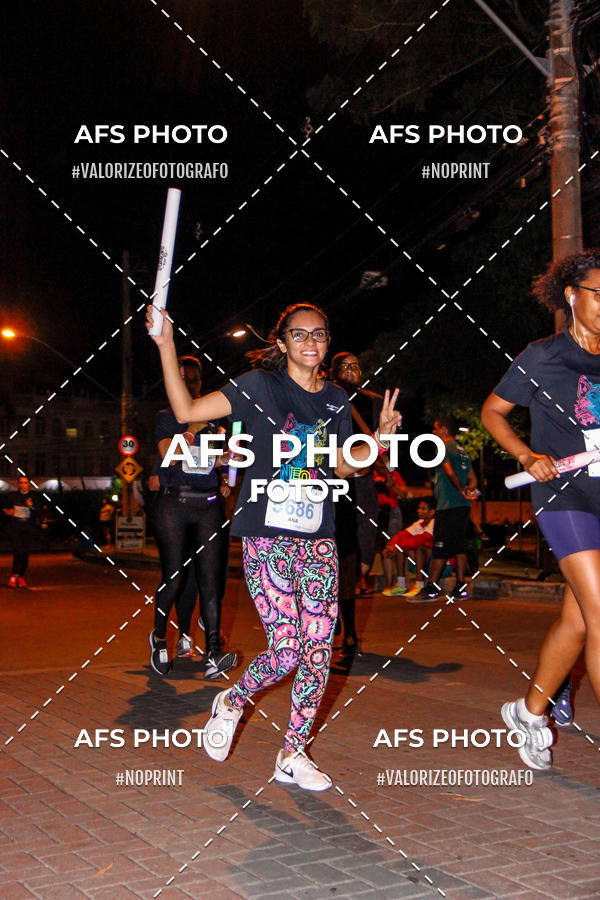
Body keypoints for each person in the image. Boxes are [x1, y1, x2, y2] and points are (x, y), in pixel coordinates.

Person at [147, 301, 401, 790]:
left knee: (319, 650)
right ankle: (233, 701)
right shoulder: (259, 387)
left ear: (327, 342)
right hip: (267, 535)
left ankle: (292, 753)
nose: (310, 342)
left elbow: (346, 466)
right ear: (281, 343)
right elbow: (187, 411)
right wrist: (166, 344)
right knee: (287, 652)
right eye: (299, 334)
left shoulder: (334, 401)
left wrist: (383, 440)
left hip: (319, 540)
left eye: (319, 334)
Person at [481, 249, 600, 770]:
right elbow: (493, 411)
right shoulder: (542, 356)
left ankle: (530, 712)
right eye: (599, 293)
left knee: (578, 622)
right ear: (572, 296)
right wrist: (529, 454)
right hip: (564, 494)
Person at [149, 355, 235, 678]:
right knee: (174, 577)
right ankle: (159, 637)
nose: (192, 385)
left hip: (208, 504)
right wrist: (191, 429)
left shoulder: (214, 423)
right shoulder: (166, 417)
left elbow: (212, 462)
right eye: (187, 379)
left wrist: (228, 463)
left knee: (211, 582)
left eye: (196, 380)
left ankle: (213, 652)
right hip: (174, 503)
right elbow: (169, 457)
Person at [411, 415, 478, 603]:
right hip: (462, 506)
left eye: (436, 428)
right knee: (459, 546)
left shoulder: (444, 448)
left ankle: (431, 588)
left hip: (448, 505)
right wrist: (470, 491)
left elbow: (448, 471)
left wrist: (460, 490)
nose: (433, 432)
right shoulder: (462, 451)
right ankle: (460, 587)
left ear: (444, 430)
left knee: (439, 546)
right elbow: (473, 476)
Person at [382, 497, 436, 596]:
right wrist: (391, 547)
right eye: (419, 508)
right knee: (397, 550)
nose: (418, 510)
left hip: (437, 566)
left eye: (423, 509)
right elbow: (401, 535)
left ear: (432, 512)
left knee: (419, 548)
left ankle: (420, 585)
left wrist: (398, 546)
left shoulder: (435, 523)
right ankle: (400, 586)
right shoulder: (420, 523)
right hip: (419, 563)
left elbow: (421, 540)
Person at [2, 476, 43, 587]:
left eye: (25, 482)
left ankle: (21, 577)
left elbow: (39, 513)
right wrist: (8, 512)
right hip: (15, 527)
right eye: (21, 483)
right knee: (17, 551)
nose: (23, 485)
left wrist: (31, 506)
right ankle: (14, 575)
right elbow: (5, 509)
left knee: (25, 553)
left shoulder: (34, 497)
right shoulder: (13, 496)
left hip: (28, 528)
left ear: (28, 484)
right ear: (18, 484)